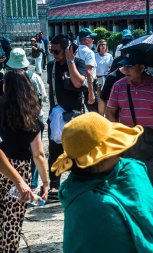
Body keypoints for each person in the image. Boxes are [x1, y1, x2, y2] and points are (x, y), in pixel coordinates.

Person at [51, 112, 153, 253]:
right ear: (100, 158)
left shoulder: (131, 171)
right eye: (113, 146)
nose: (120, 150)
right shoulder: (89, 204)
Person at [106, 50, 153, 185]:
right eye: (125, 66)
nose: (126, 70)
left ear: (142, 68)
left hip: (149, 141)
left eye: (130, 66)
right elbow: (110, 113)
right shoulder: (118, 85)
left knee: (147, 180)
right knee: (127, 181)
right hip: (126, 141)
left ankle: (145, 205)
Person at [0, 69, 49, 252]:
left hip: (2, 166)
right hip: (20, 170)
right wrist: (45, 182)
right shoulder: (32, 115)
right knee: (12, 221)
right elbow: (38, 154)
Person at [47, 34, 86, 198]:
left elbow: (78, 83)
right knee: (55, 151)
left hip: (74, 115)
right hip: (56, 115)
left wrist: (70, 61)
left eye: (56, 52)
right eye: (51, 51)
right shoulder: (51, 66)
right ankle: (54, 185)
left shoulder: (78, 63)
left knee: (77, 151)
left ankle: (78, 182)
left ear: (67, 50)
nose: (53, 55)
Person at [6, 48, 47, 189]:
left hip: (9, 114)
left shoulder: (5, 78)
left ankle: (11, 177)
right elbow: (44, 96)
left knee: (11, 148)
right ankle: (34, 181)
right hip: (33, 116)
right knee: (35, 150)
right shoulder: (33, 76)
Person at [76, 28, 97, 112]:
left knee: (80, 112)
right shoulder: (89, 52)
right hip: (88, 85)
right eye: (91, 38)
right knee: (96, 114)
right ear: (86, 40)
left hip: (76, 84)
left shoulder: (74, 50)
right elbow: (88, 72)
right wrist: (91, 93)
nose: (93, 40)